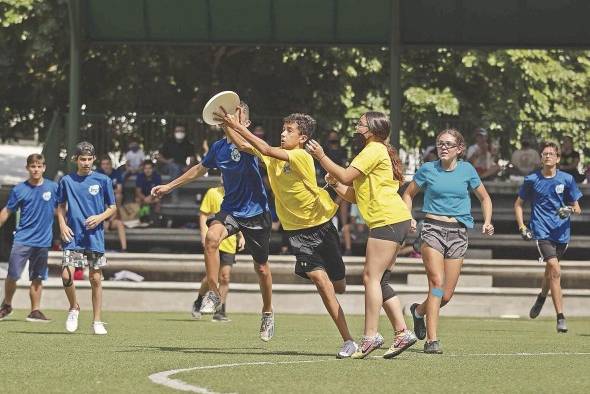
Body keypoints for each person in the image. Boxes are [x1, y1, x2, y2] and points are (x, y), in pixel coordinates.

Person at [218, 111, 359, 358]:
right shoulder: (275, 157)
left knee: (340, 286)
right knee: (321, 282)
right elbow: (244, 144)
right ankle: (348, 341)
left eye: (289, 131)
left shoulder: (301, 156)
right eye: (283, 130)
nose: (283, 134)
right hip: (298, 233)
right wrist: (226, 125)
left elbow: (262, 146)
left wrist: (236, 124)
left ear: (302, 137)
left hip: (323, 225)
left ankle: (345, 319)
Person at [152, 101, 275, 341]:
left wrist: (232, 125)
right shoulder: (218, 148)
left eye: (234, 116)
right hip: (230, 209)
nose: (228, 119)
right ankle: (214, 294)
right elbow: (199, 169)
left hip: (256, 212)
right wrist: (169, 186)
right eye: (225, 117)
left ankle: (268, 311)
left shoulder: (251, 143)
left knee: (261, 268)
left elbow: (240, 143)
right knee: (210, 239)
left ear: (246, 123)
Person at [306, 112, 418, 359]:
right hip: (392, 219)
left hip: (386, 219)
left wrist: (321, 156)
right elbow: (355, 195)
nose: (356, 126)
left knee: (370, 277)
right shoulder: (374, 151)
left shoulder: (373, 149)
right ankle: (402, 333)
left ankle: (370, 337)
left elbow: (346, 175)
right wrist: (334, 183)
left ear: (372, 129)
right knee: (381, 280)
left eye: (360, 123)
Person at [402, 128, 494, 354]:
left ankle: (418, 311)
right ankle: (432, 341)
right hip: (432, 229)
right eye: (440, 143)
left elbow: (485, 198)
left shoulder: (467, 170)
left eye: (448, 144)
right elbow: (407, 194)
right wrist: (409, 217)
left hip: (458, 233)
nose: (443, 147)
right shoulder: (428, 169)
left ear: (460, 149)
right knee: (436, 283)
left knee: (445, 295)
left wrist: (488, 221)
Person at [514, 141, 582, 333]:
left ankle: (542, 296)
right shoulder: (532, 180)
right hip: (541, 231)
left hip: (562, 233)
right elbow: (518, 204)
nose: (547, 156)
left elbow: (577, 208)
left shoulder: (567, 179)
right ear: (541, 157)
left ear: (558, 158)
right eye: (544, 154)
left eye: (551, 154)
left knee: (550, 271)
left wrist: (567, 210)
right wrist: (522, 226)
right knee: (555, 268)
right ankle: (561, 317)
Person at [56, 141, 117, 335]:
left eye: (90, 159)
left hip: (94, 236)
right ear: (76, 159)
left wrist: (100, 217)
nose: (86, 163)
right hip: (73, 235)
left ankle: (97, 321)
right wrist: (62, 224)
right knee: (66, 275)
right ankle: (74, 307)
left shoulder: (103, 180)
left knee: (95, 278)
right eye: (83, 159)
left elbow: (112, 207)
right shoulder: (66, 180)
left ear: (94, 159)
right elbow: (60, 206)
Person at [0, 154, 57, 322]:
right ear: (27, 168)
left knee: (38, 277)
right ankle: (7, 305)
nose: (36, 169)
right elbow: (6, 212)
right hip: (22, 239)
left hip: (43, 241)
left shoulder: (53, 187)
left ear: (44, 168)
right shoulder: (19, 189)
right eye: (33, 166)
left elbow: (61, 209)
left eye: (39, 166)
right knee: (13, 275)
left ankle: (35, 311)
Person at [192, 177, 245, 322]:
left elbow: (238, 218)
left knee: (225, 277)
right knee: (211, 278)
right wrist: (204, 234)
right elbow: (203, 214)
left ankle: (220, 311)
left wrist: (241, 236)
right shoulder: (212, 193)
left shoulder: (237, 196)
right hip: (213, 241)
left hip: (229, 242)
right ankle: (198, 301)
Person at [97, 156, 127, 252]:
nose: (105, 166)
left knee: (120, 224)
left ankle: (124, 249)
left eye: (107, 164)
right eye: (103, 164)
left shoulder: (116, 173)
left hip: (111, 215)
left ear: (110, 164)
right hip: (99, 219)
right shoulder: (97, 174)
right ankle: (97, 249)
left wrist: (110, 220)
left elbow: (119, 189)